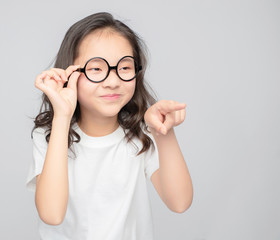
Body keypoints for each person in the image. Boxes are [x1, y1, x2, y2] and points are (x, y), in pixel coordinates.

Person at [26, 12, 193, 240]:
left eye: (125, 68)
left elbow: (180, 202)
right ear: (69, 73)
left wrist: (164, 132)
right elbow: (52, 214)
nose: (113, 82)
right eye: (96, 69)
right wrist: (62, 117)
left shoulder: (141, 134)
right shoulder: (49, 134)